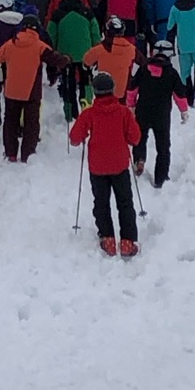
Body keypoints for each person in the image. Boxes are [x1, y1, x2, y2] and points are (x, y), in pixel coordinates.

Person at [69, 72, 140, 258]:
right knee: (125, 202)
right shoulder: (123, 112)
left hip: (98, 166)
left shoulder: (89, 114)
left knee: (101, 202)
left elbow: (74, 138)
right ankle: (127, 241)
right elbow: (136, 137)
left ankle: (107, 238)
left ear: (95, 91)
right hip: (120, 165)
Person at [0, 14, 57, 161]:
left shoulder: (10, 44)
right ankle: (28, 154)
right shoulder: (40, 45)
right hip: (32, 92)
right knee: (31, 123)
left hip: (12, 90)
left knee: (10, 122)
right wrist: (68, 60)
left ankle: (11, 153)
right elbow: (54, 59)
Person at [131, 41, 188, 187]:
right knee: (163, 147)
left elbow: (132, 89)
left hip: (142, 111)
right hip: (161, 116)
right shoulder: (172, 73)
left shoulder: (144, 69)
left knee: (139, 139)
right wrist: (184, 111)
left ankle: (139, 159)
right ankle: (160, 178)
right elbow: (179, 95)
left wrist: (130, 105)